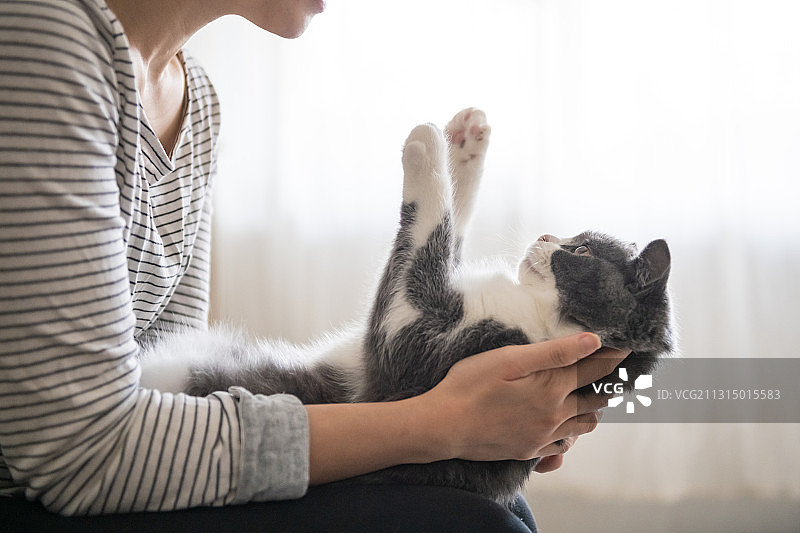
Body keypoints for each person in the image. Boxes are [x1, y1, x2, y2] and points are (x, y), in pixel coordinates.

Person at [0, 0, 628, 530]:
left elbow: (170, 360)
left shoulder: (197, 104)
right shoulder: (45, 37)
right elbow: (81, 453)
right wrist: (443, 423)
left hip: (121, 460)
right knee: (470, 521)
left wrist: (498, 423)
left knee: (495, 502)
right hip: (40, 488)